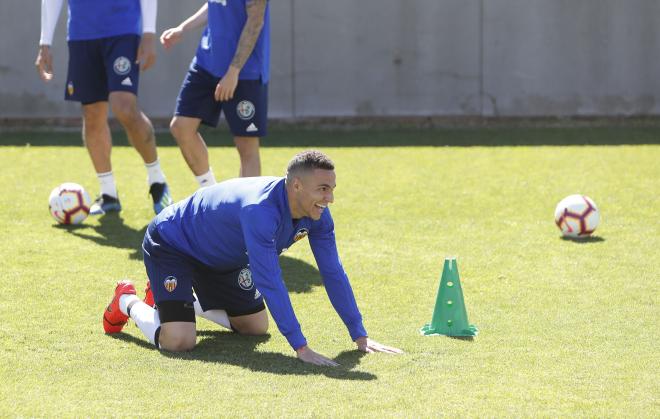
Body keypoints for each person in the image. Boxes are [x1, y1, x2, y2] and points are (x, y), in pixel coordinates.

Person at [103, 150, 403, 366]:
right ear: (296, 185)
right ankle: (126, 301)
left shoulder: (317, 214)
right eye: (323, 189)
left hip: (223, 257)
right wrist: (301, 347)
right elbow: (269, 280)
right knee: (180, 341)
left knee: (255, 328)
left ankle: (174, 298)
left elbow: (333, 272)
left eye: (332, 189)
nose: (330, 198)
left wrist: (359, 336)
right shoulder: (260, 211)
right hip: (173, 243)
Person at [35, 0, 173, 215]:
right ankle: (108, 194)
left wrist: (148, 33)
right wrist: (45, 42)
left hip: (123, 30)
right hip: (82, 34)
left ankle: (157, 181)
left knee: (124, 107)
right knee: (92, 114)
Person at [159, 0, 270, 187]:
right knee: (181, 127)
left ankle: (246, 211)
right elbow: (215, 5)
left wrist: (233, 71)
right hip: (206, 63)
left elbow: (255, 22)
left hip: (245, 72)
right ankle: (210, 193)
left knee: (246, 146)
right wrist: (183, 28)